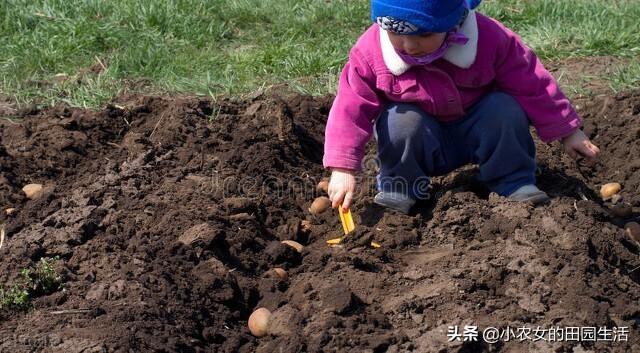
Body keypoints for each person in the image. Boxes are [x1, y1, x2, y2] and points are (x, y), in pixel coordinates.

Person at [323, 0, 600, 214]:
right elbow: (350, 108)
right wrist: (342, 168)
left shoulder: (489, 39)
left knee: (503, 108)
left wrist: (568, 131)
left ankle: (513, 181)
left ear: (453, 21)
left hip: (478, 130)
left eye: (425, 33)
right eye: (395, 32)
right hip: (421, 138)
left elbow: (532, 83)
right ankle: (402, 186)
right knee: (399, 119)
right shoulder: (370, 53)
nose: (408, 45)